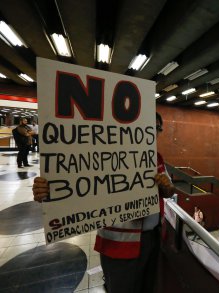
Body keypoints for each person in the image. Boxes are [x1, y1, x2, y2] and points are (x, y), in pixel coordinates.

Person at [32, 112, 175, 293]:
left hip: (152, 238)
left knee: (149, 287)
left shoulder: (156, 158)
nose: (150, 132)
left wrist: (166, 187)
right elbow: (77, 185)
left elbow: (169, 191)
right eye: (147, 126)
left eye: (155, 128)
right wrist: (49, 191)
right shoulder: (103, 154)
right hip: (118, 245)